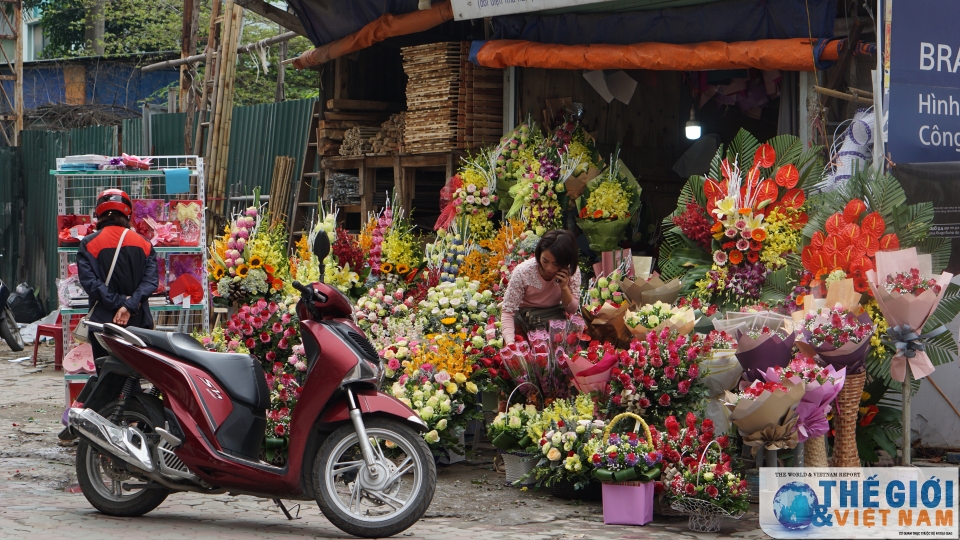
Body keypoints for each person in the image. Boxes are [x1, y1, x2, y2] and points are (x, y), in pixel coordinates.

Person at [77, 189, 159, 361]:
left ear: (98, 213)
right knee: (136, 372)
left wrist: (119, 301)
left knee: (106, 372)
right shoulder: (144, 244)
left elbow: (90, 283)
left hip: (102, 322)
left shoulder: (88, 244)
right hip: (138, 323)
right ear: (128, 213)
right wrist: (129, 305)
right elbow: (150, 282)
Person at [500, 229, 582, 345]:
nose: (549, 268)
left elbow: (571, 310)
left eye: (556, 264)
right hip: (524, 320)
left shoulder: (571, 271)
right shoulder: (524, 272)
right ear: (539, 254)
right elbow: (508, 311)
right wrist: (510, 343)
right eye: (545, 260)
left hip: (553, 320)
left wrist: (564, 287)